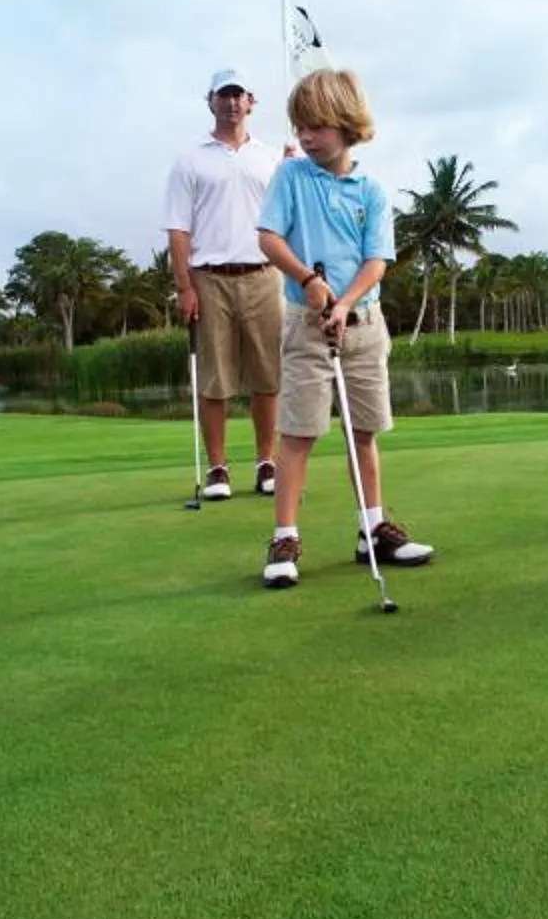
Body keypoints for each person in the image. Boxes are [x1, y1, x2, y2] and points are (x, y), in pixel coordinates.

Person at [252, 65, 434, 589]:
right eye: (299, 126)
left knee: (364, 432)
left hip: (364, 326)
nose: (306, 137)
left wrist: (345, 300)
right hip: (307, 326)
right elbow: (268, 238)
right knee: (299, 433)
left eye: (317, 126)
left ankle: (372, 530)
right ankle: (284, 537)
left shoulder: (371, 190)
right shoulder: (290, 176)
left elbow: (377, 260)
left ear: (347, 124)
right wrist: (309, 280)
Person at [162, 68, 286, 500]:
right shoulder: (190, 159)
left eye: (239, 95)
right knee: (214, 379)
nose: (232, 103)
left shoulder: (273, 157)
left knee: (267, 376)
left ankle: (266, 462)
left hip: (264, 275)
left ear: (251, 102)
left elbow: (288, 218)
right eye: (224, 95)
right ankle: (217, 468)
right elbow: (178, 229)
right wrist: (184, 287)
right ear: (210, 101)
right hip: (209, 278)